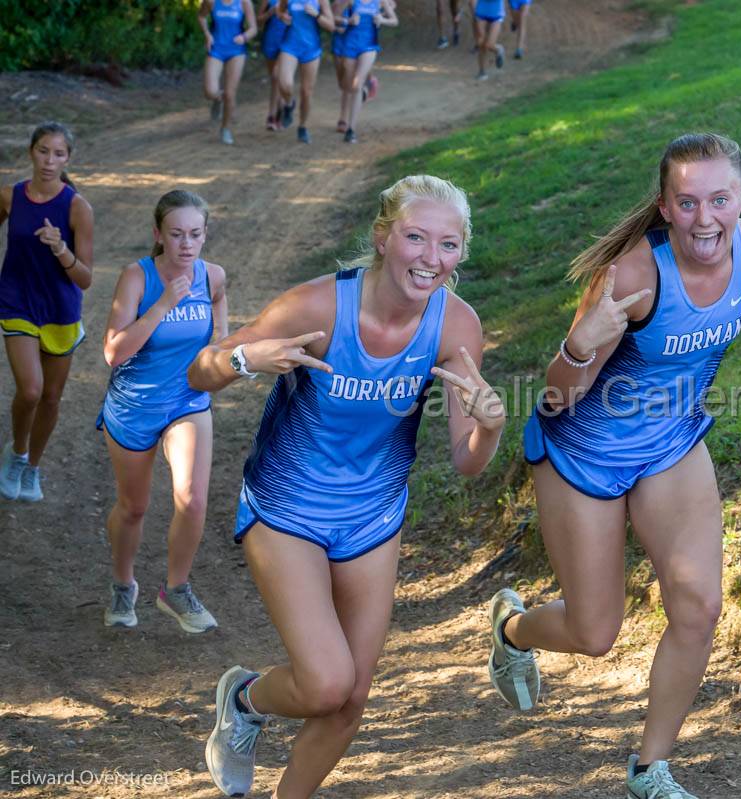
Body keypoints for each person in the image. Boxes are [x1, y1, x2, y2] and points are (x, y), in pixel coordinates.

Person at [488, 132, 741, 798]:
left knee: (698, 605)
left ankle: (650, 768)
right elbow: (558, 394)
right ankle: (511, 628)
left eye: (720, 199)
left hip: (670, 442)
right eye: (689, 201)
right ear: (666, 207)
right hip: (583, 450)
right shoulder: (634, 275)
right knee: (595, 631)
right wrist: (578, 348)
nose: (706, 218)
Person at [191, 175, 505, 798]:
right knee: (326, 682)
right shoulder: (317, 307)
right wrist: (250, 360)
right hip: (286, 506)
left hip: (372, 516)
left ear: (461, 253)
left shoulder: (456, 327)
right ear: (384, 238)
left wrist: (491, 428)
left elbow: (468, 462)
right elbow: (202, 372)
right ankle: (246, 699)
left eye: (447, 245)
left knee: (351, 698)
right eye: (416, 237)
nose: (429, 258)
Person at [97, 190, 228, 633]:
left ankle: (175, 590)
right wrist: (163, 305)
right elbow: (113, 353)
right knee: (133, 507)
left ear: (205, 234)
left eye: (195, 234)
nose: (186, 244)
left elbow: (219, 343)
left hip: (186, 402)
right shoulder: (138, 277)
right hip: (133, 405)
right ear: (158, 234)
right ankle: (122, 583)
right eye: (176, 234)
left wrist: (232, 361)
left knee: (192, 499)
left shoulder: (213, 278)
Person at [0, 122, 94, 503]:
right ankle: (17, 452)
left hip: (60, 310)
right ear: (30, 152)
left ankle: (32, 466)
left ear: (67, 158)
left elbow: (85, 278)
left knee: (51, 398)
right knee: (31, 390)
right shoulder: (9, 196)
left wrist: (60, 248)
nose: (49, 160)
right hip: (17, 302)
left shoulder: (77, 207)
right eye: (43, 151)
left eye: (58, 154)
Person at [333, 0, 398, 143]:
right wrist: (348, 20)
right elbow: (334, 17)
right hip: (349, 45)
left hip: (369, 46)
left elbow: (394, 20)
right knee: (347, 86)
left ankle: (351, 129)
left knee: (358, 82)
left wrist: (382, 19)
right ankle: (364, 91)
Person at [275, 0, 336, 144]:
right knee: (285, 83)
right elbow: (279, 10)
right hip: (290, 45)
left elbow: (331, 26)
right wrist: (282, 16)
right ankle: (289, 104)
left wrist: (316, 15)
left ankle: (303, 126)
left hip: (311, 48)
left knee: (306, 92)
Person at [199, 0, 258, 145]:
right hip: (216, 49)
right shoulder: (211, 1)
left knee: (230, 94)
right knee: (210, 92)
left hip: (236, 51)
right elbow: (201, 17)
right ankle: (218, 99)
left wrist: (244, 37)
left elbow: (253, 28)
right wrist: (207, 34)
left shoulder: (244, 3)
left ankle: (225, 129)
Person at [258, 0, 288, 131]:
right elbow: (258, 21)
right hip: (271, 40)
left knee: (277, 75)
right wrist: (270, 13)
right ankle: (282, 106)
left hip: (289, 40)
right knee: (275, 79)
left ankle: (272, 115)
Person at [472, 0, 505, 80]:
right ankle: (482, 71)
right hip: (481, 11)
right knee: (481, 42)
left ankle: (498, 50)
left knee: (489, 44)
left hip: (496, 12)